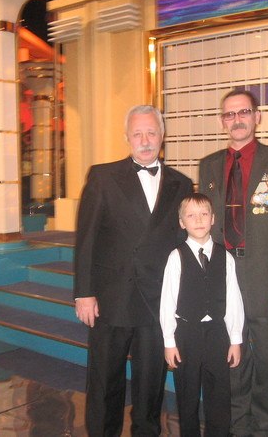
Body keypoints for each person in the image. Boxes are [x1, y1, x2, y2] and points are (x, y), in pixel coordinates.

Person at [73, 105, 193, 436]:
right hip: (111, 297)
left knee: (150, 386)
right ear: (127, 137)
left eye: (151, 132)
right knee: (104, 382)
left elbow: (184, 245)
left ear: (162, 136)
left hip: (157, 300)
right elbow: (86, 238)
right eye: (138, 134)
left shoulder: (182, 184)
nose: (145, 140)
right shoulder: (103, 177)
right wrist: (84, 292)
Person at [198, 89, 268, 436]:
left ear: (257, 116)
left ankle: (266, 423)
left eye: (243, 112)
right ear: (222, 121)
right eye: (229, 114)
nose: (237, 120)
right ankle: (236, 422)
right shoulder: (208, 165)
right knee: (232, 354)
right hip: (223, 276)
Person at [160, 193, 244, 437]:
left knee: (219, 395)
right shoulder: (176, 257)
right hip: (187, 334)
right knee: (187, 396)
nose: (198, 220)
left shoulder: (225, 256)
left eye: (204, 214)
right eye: (191, 215)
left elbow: (233, 299)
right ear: (181, 222)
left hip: (217, 334)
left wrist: (235, 339)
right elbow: (167, 301)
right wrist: (169, 342)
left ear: (213, 218)